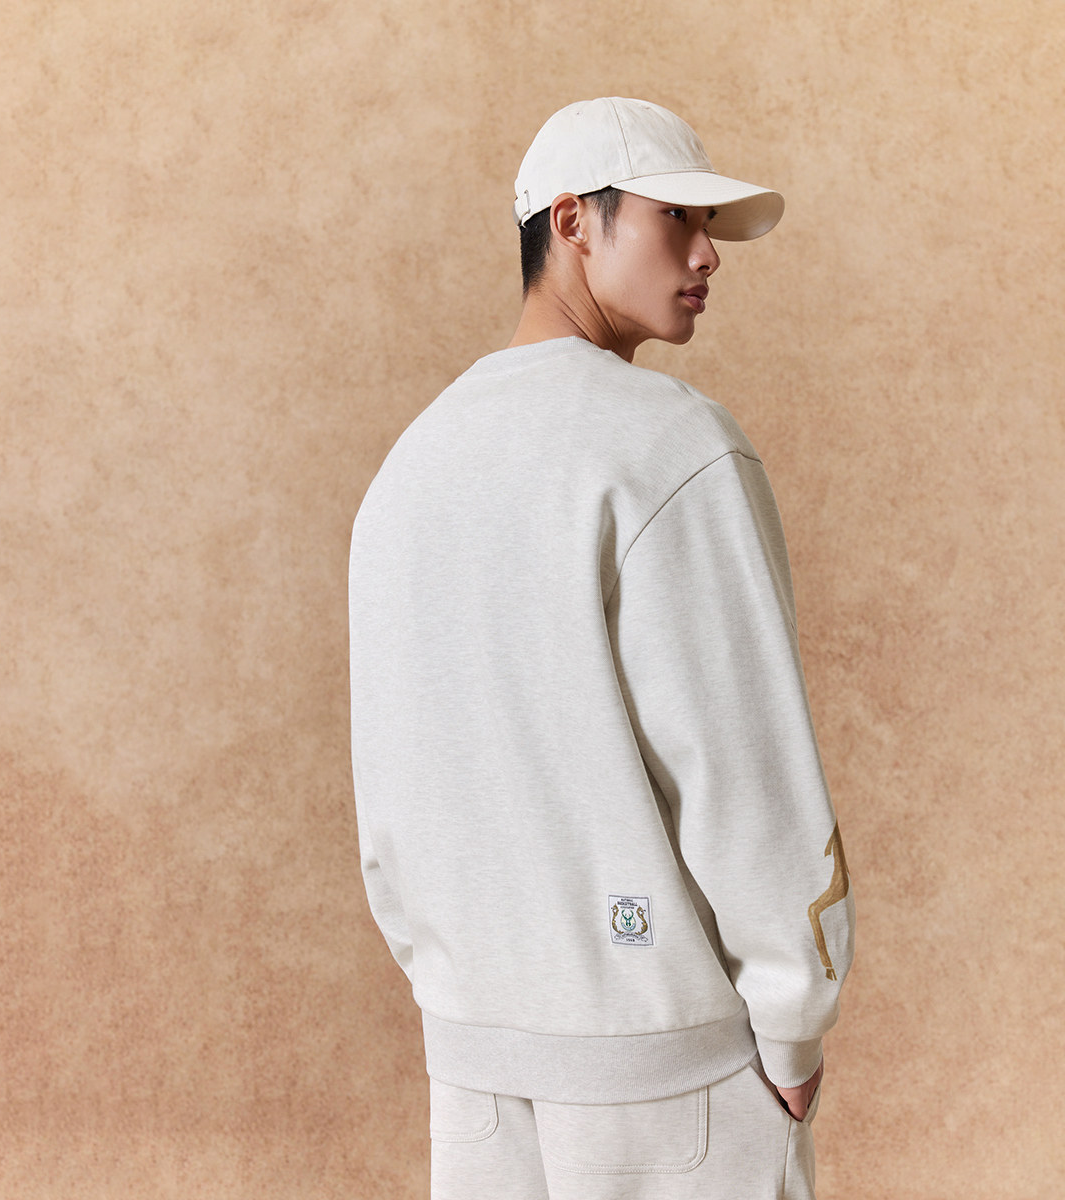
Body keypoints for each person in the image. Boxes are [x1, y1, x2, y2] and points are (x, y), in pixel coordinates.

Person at [349, 96, 855, 1200]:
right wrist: (793, 1019)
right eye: (677, 218)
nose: (706, 254)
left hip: (475, 1071)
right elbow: (742, 765)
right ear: (573, 221)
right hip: (674, 1078)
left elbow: (389, 790)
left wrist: (462, 986)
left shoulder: (409, 467)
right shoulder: (672, 445)